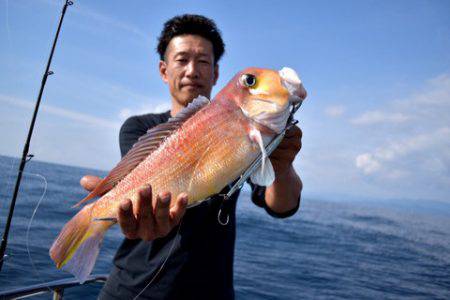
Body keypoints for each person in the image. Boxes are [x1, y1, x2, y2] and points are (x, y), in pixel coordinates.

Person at [81, 14, 303, 300]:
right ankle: (91, 220)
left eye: (203, 62)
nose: (192, 71)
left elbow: (281, 206)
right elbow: (146, 185)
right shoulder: (138, 128)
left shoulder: (249, 133)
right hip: (128, 290)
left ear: (215, 74)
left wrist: (282, 165)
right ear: (164, 70)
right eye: (182, 59)